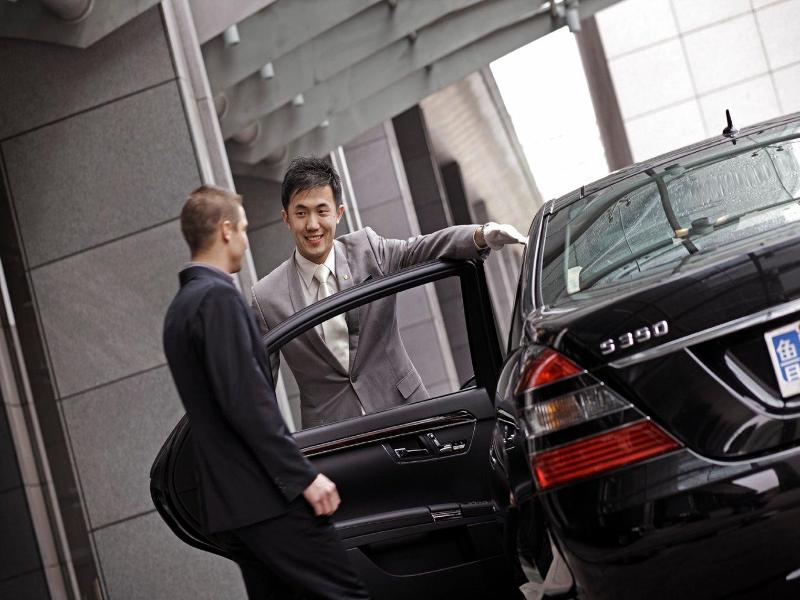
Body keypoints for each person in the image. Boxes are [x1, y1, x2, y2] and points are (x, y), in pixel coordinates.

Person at [163, 184, 370, 599]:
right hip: (267, 498)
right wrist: (303, 477)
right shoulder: (217, 298)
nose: (245, 239)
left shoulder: (179, 309)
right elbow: (248, 404)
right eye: (242, 229)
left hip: (233, 509)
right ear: (225, 230)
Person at [251, 157, 526, 429]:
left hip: (405, 410)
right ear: (286, 218)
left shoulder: (367, 249)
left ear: (339, 213)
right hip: (332, 437)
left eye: (322, 211)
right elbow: (259, 391)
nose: (312, 224)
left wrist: (481, 235)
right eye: (301, 213)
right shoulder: (266, 298)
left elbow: (421, 248)